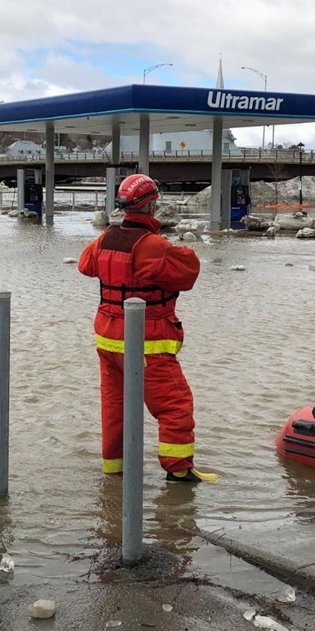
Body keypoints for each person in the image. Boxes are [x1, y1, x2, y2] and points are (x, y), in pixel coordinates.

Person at [77, 174, 217, 483]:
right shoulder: (153, 245)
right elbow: (189, 272)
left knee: (115, 408)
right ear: (151, 205)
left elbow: (85, 264)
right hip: (146, 343)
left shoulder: (105, 239)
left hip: (107, 341)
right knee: (175, 406)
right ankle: (178, 470)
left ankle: (115, 474)